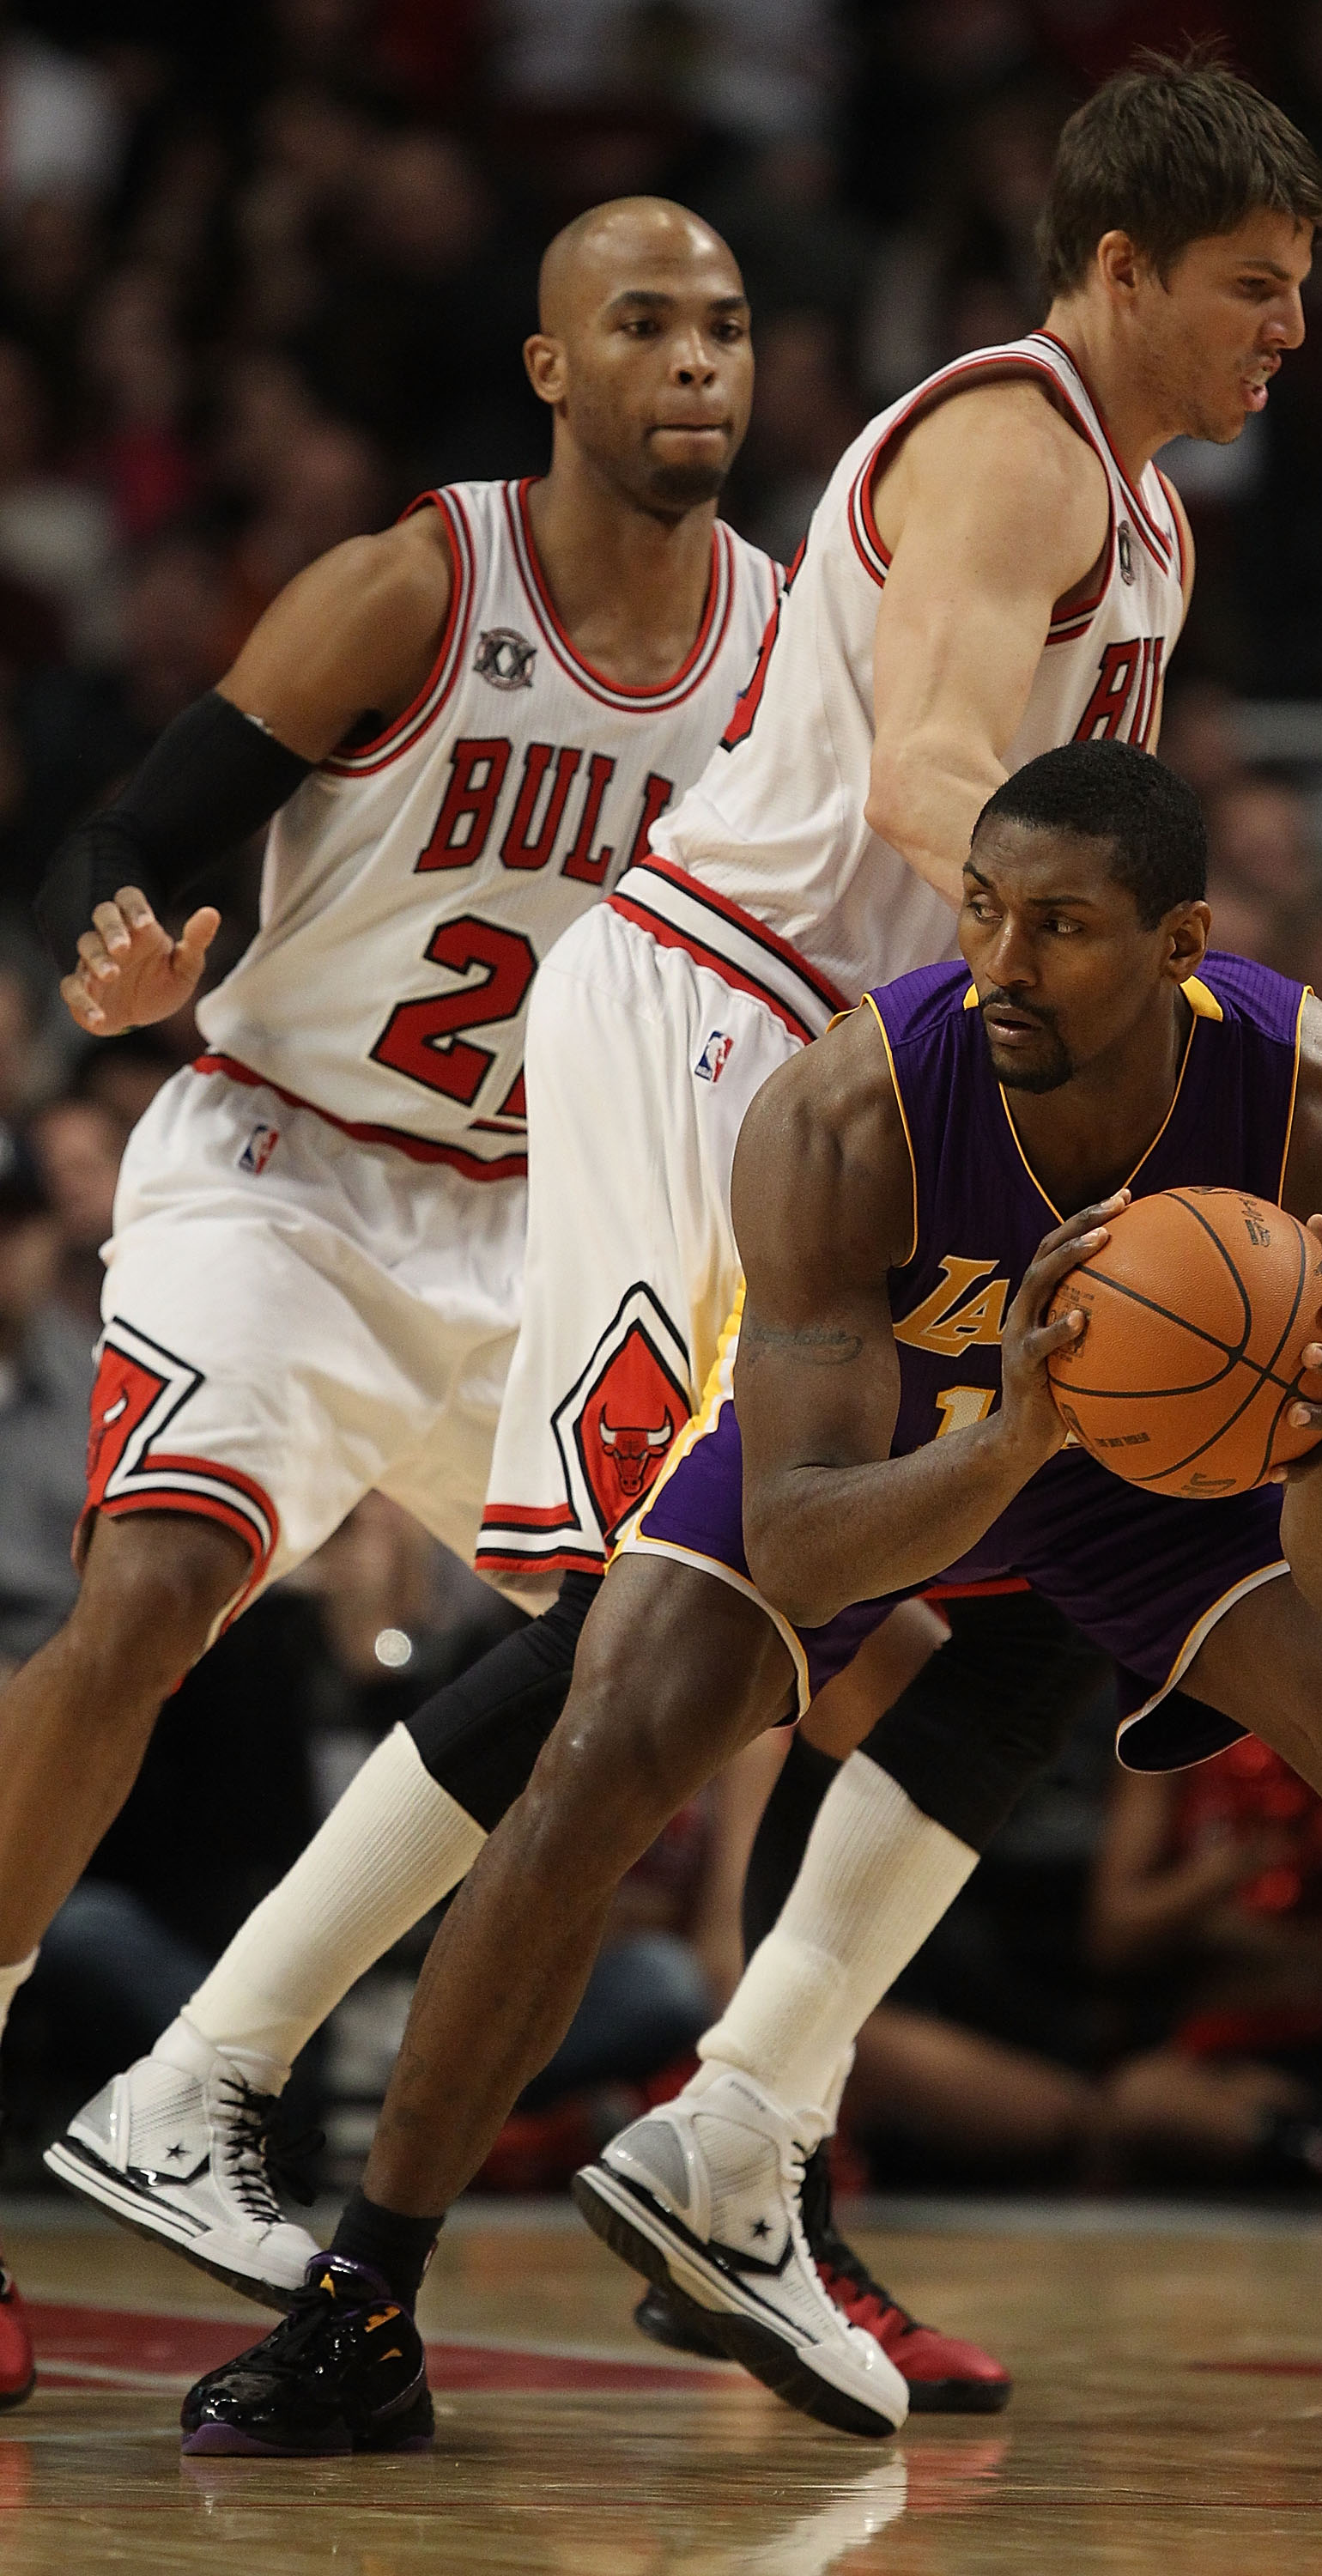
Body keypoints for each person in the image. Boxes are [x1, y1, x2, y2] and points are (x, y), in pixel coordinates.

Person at [72, 48, 1322, 2415]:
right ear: (1126, 266)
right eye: (1255, 289)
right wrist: (1128, 993)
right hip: (734, 1031)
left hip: (885, 1052)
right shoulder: (1012, 441)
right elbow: (949, 770)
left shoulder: (1152, 522)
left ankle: (750, 2132)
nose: (1291, 337)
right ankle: (208, 2078)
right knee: (681, 1616)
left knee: (1034, 1549)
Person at [184, 742, 1322, 2483]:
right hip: (899, 1448)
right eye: (985, 912)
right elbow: (793, 1545)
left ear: (1180, 946)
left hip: (1166, 1475)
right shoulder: (849, 1108)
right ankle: (365, 2294)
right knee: (610, 1732)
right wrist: (1013, 1433)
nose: (1004, 962)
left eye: (1065, 927)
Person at [3, 195, 780, 2385]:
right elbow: (134, 833)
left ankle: (736, 2139)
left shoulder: (787, 644)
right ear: (553, 369)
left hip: (560, 1221)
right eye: (645, 324)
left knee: (696, 1657)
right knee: (155, 1594)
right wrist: (140, 941)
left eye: (725, 325)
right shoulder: (419, 585)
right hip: (293, 1168)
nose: (697, 360)